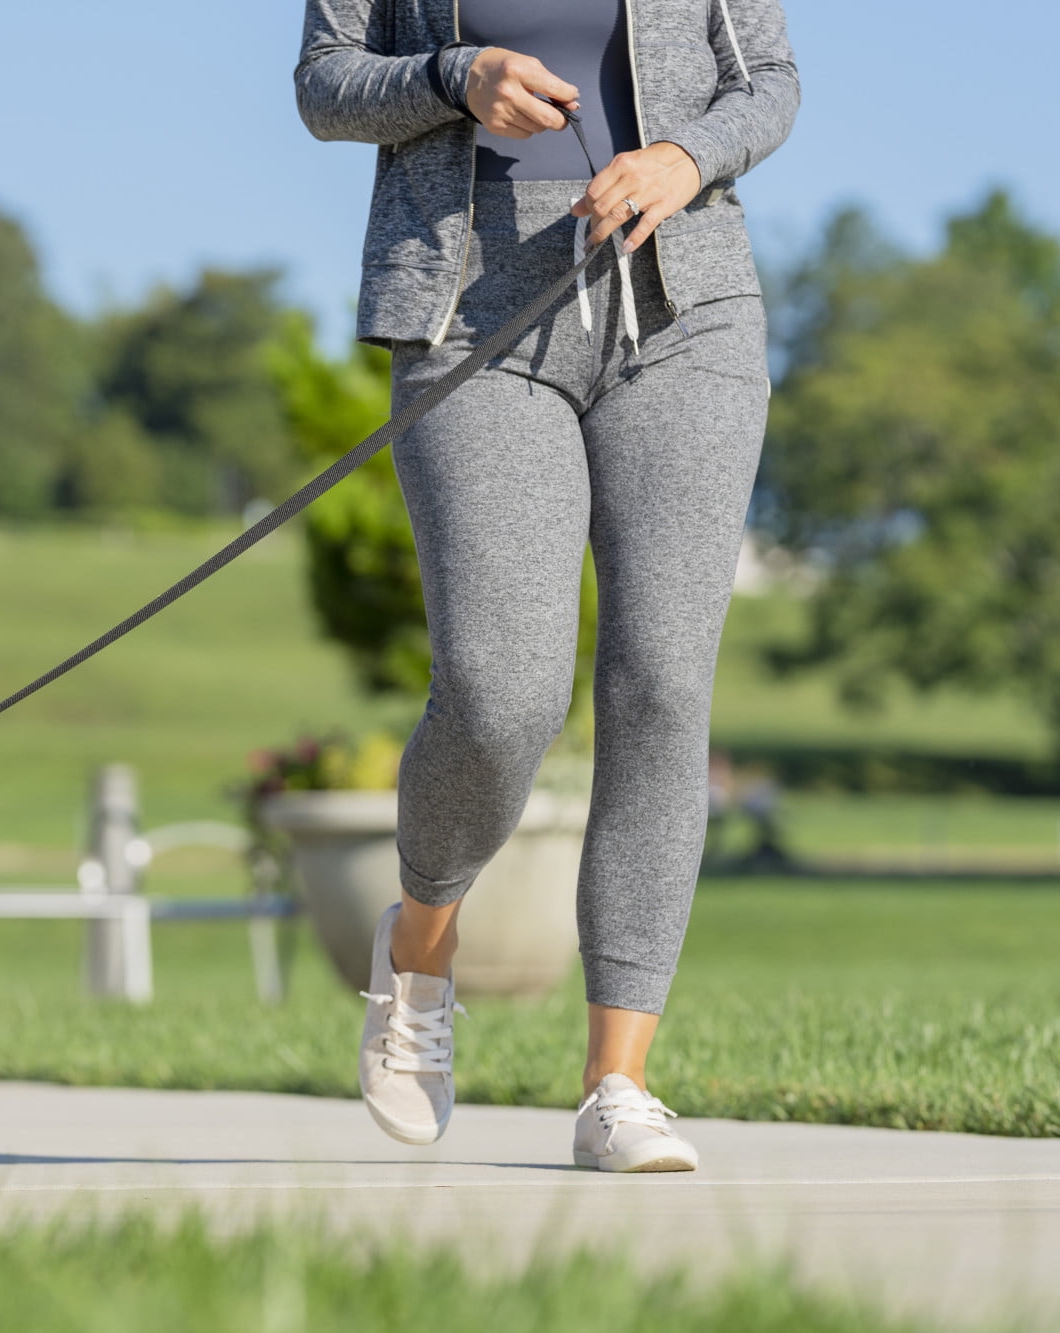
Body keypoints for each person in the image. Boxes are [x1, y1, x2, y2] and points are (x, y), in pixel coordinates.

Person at [295, 0, 798, 1171]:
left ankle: (616, 1084)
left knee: (662, 686)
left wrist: (683, 156)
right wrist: (454, 75)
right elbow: (324, 84)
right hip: (470, 302)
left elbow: (766, 80)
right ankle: (420, 940)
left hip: (688, 308)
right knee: (497, 686)